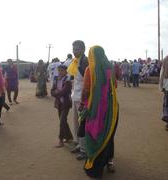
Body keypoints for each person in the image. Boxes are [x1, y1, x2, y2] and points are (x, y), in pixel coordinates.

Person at [80, 45, 119, 178]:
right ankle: (109, 161)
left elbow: (85, 91)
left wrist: (82, 104)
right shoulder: (110, 68)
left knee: (94, 135)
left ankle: (94, 167)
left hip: (95, 110)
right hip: (111, 110)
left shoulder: (89, 70)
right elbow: (114, 86)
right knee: (108, 136)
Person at [67, 40, 88, 160]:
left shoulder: (85, 62)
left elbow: (87, 81)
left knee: (82, 124)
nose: (74, 51)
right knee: (75, 122)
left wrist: (84, 100)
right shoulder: (75, 62)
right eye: (73, 49)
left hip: (82, 99)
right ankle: (79, 144)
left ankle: (84, 149)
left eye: (77, 49)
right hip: (75, 96)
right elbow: (75, 79)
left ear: (83, 49)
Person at [51, 65, 73, 148]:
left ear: (66, 72)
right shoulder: (56, 79)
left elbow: (64, 92)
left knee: (62, 121)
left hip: (66, 104)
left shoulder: (68, 81)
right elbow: (52, 90)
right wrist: (56, 93)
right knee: (63, 120)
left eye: (62, 70)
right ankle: (69, 137)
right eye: (59, 70)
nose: (60, 72)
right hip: (59, 103)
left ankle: (61, 140)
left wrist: (56, 93)